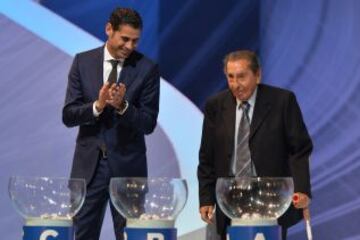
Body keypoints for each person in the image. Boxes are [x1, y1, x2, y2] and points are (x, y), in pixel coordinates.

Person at [62, 7, 160, 240]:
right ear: (109, 29)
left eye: (135, 41)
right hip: (89, 170)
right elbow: (68, 115)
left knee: (130, 236)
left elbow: (148, 123)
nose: (129, 46)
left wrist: (122, 107)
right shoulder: (82, 62)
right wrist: (97, 105)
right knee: (83, 235)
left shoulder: (147, 69)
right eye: (124, 39)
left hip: (128, 170)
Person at [197, 50, 312, 240]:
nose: (235, 85)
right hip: (228, 197)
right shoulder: (215, 105)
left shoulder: (282, 101)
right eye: (230, 77)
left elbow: (299, 149)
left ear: (258, 75)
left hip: (271, 198)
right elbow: (207, 156)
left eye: (241, 77)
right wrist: (206, 198)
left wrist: (301, 189)